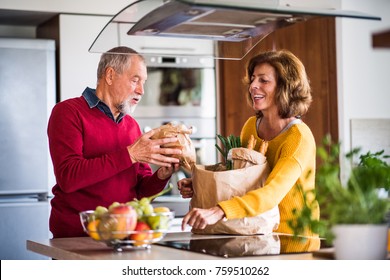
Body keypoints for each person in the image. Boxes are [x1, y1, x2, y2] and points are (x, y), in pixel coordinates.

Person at [179, 49, 320, 238]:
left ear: (285, 86)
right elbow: (242, 178)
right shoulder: (251, 127)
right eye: (253, 79)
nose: (253, 85)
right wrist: (202, 185)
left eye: (263, 80)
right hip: (257, 232)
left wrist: (219, 210)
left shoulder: (298, 137)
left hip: (294, 239)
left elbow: (271, 193)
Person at [47, 46, 182, 238]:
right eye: (135, 80)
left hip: (125, 234)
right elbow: (68, 177)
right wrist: (130, 154)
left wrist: (161, 175)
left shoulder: (132, 125)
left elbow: (141, 191)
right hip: (78, 236)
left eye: (143, 82)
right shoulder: (68, 112)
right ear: (110, 75)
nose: (141, 90)